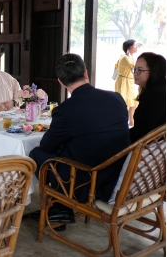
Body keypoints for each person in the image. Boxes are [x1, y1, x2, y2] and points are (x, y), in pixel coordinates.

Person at [29, 54, 130, 226]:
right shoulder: (116, 98)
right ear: (86, 73)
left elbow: (47, 145)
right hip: (118, 173)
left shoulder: (66, 109)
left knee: (37, 153)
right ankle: (60, 207)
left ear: (60, 81)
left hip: (87, 182)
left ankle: (60, 206)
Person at [129, 52, 166, 143]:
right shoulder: (161, 87)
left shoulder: (155, 94)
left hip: (151, 150)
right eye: (135, 69)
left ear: (154, 71)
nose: (135, 73)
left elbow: (142, 132)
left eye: (140, 70)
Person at [114, 39, 139, 126]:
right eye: (135, 45)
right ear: (129, 47)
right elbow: (134, 66)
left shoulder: (131, 56)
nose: (136, 47)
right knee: (123, 102)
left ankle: (131, 121)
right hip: (123, 82)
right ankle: (124, 121)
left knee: (133, 102)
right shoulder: (125, 57)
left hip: (129, 81)